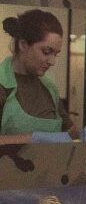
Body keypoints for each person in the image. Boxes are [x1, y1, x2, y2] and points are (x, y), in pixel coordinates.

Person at [0, 10, 72, 140]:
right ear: (23, 45)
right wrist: (32, 138)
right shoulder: (2, 85)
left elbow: (68, 130)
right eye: (46, 52)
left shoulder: (49, 87)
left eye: (55, 54)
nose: (52, 61)